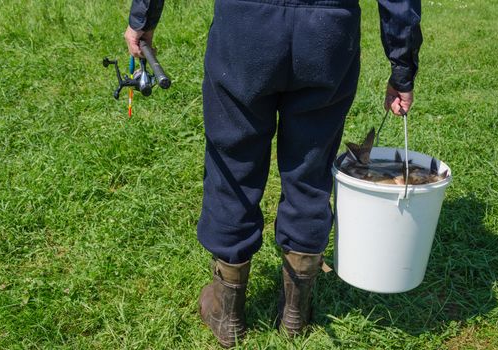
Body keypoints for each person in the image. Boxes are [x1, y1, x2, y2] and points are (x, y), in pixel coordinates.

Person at [126, 0, 421, 347]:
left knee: (232, 166)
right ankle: (295, 312)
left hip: (245, 28)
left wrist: (141, 19)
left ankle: (228, 313)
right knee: (310, 170)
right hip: (327, 33)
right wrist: (402, 67)